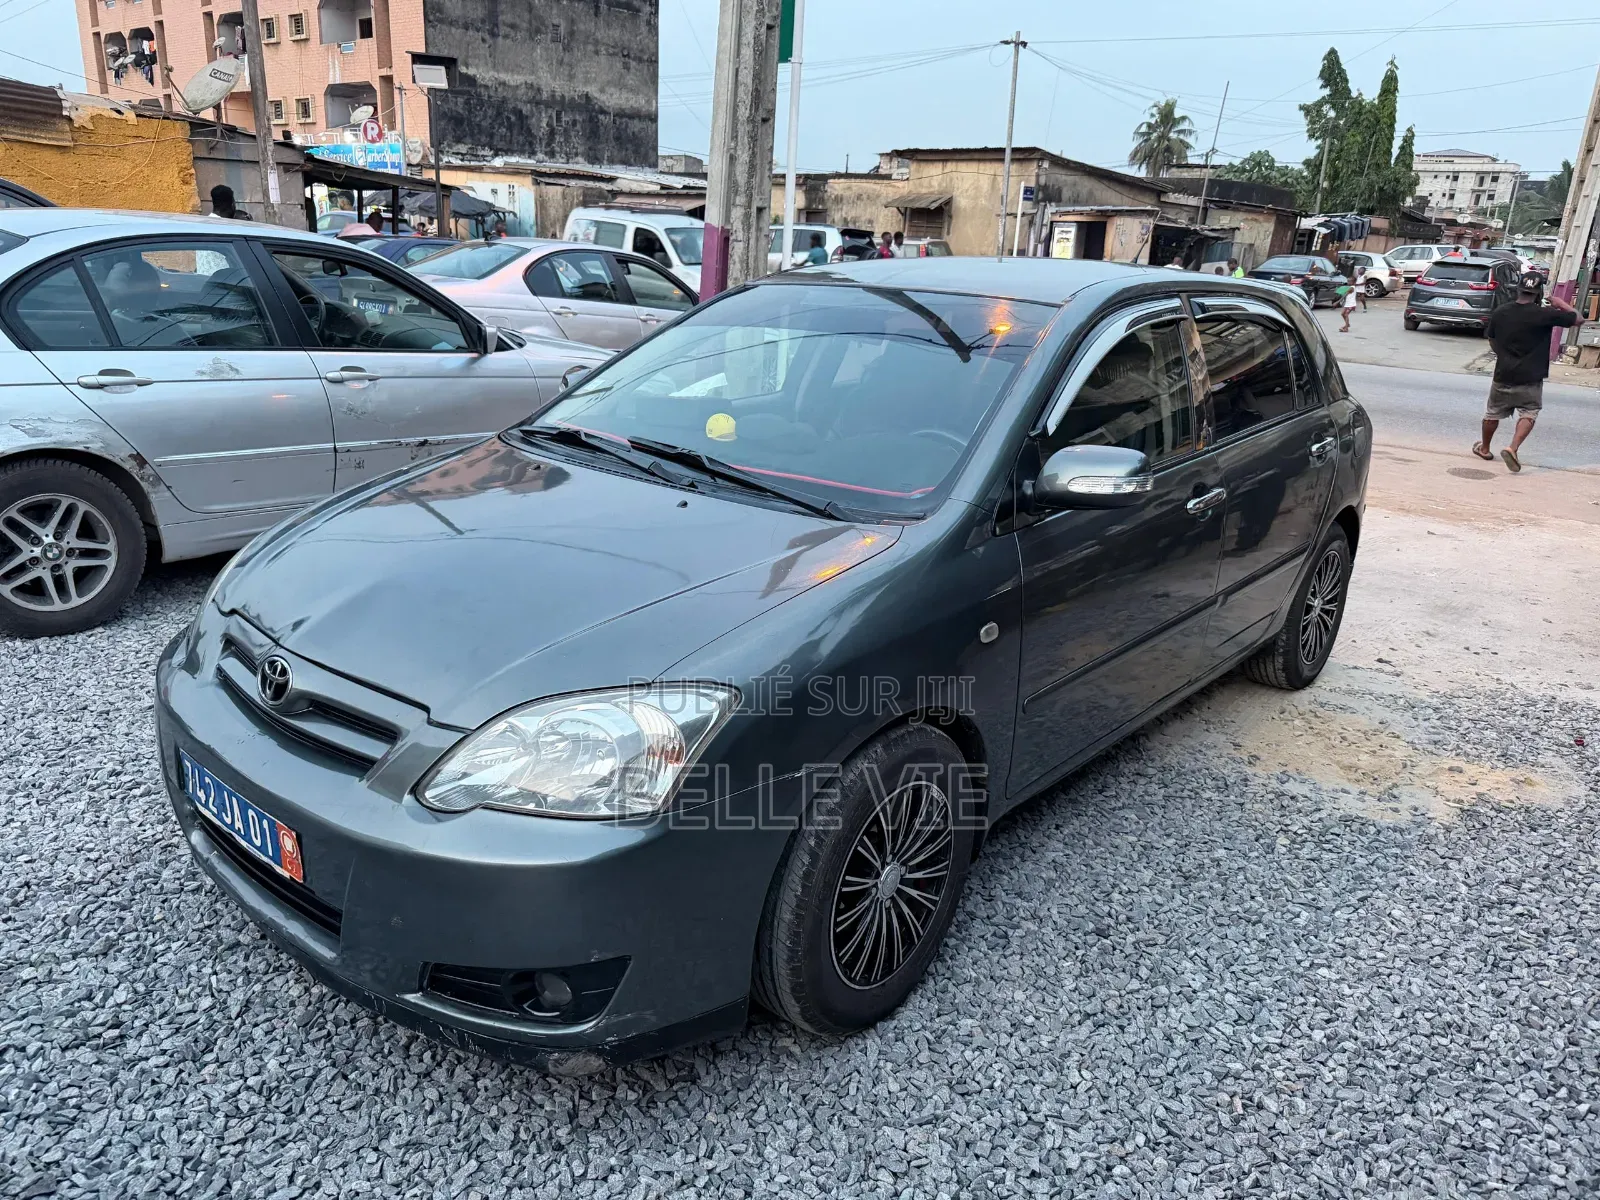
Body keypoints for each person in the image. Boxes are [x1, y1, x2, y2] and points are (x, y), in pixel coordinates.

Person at [1473, 272, 1581, 471]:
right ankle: (1512, 448)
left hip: (1503, 373)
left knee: (1493, 413)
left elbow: (1492, 340)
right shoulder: (1546, 314)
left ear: (1518, 289)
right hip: (1531, 376)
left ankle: (1485, 448)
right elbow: (1578, 319)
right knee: (1529, 412)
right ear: (1538, 293)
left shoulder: (1501, 312)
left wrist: (1504, 355)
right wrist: (1560, 303)